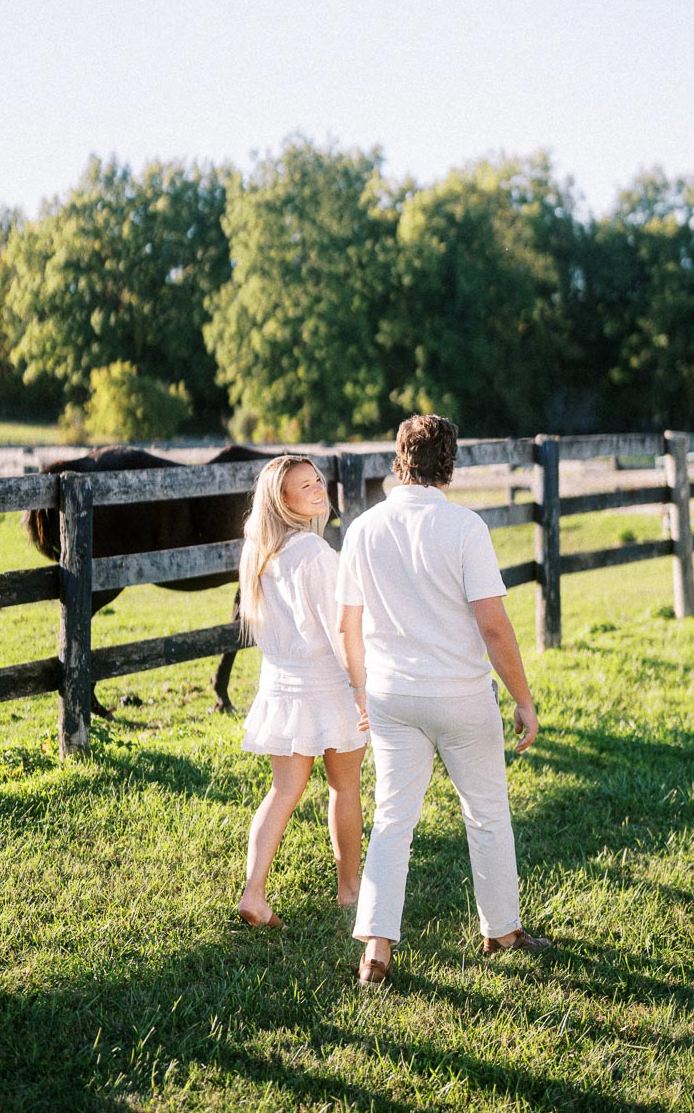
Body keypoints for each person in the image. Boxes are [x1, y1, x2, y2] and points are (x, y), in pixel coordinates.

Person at [336, 414, 551, 983]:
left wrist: (361, 688)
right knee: (486, 813)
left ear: (398, 458)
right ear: (449, 463)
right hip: (460, 696)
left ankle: (376, 950)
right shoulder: (464, 527)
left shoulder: (362, 528)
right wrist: (524, 700)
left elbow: (346, 625)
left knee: (392, 821)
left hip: (390, 695)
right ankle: (501, 930)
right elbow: (495, 627)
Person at [237, 454, 368, 928]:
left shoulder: (261, 552)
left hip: (282, 682)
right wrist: (361, 685)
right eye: (304, 485)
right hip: (325, 684)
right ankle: (349, 890)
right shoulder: (315, 554)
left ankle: (254, 892)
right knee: (344, 786)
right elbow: (341, 631)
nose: (317, 489)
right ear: (282, 499)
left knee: (282, 791)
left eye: (318, 480)